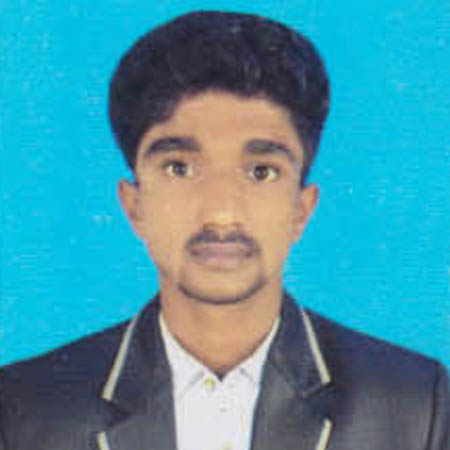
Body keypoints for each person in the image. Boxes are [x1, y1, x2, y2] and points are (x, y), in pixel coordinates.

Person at [0, 10, 448, 450]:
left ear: (301, 208)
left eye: (260, 172)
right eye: (179, 168)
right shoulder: (25, 409)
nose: (221, 213)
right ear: (134, 205)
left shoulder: (413, 408)